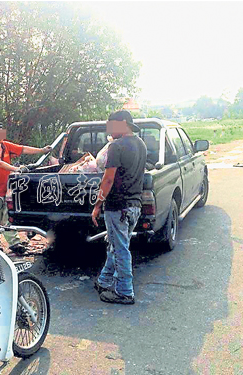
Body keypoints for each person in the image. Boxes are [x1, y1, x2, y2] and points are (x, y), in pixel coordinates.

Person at [91, 110, 147, 304]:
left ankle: (124, 291)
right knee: (116, 245)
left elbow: (108, 180)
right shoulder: (141, 144)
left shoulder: (116, 147)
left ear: (123, 123)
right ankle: (104, 280)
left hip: (117, 207)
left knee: (120, 248)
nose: (109, 131)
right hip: (134, 207)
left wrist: (98, 205)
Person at [0, 122, 51, 253]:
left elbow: (23, 149)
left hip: (5, 188)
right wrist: (16, 169)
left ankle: (14, 243)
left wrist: (41, 150)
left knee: (8, 217)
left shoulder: (6, 146)